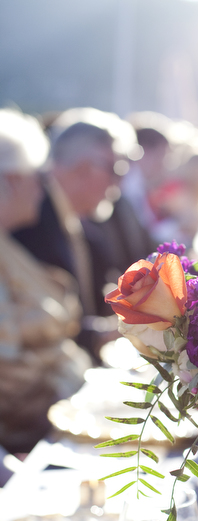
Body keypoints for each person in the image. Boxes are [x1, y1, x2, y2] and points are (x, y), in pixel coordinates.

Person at [13, 110, 153, 356]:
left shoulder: (76, 220)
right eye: (116, 169)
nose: (118, 184)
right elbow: (32, 322)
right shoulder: (29, 220)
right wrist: (98, 334)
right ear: (84, 167)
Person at [0, 109, 90, 453]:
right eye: (37, 176)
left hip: (54, 423)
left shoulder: (9, 242)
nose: (43, 188)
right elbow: (6, 372)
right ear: (11, 180)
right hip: (29, 439)